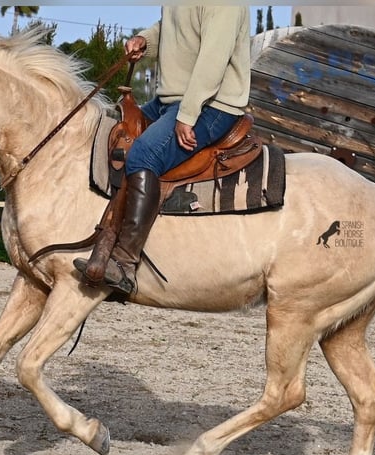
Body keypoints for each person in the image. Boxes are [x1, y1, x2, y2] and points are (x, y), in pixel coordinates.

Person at [74, 6, 251, 296]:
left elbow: (212, 62)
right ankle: (99, 233)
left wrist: (188, 116)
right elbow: (172, 29)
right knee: (114, 132)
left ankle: (124, 263)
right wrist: (144, 40)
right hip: (171, 100)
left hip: (212, 104)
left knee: (144, 154)